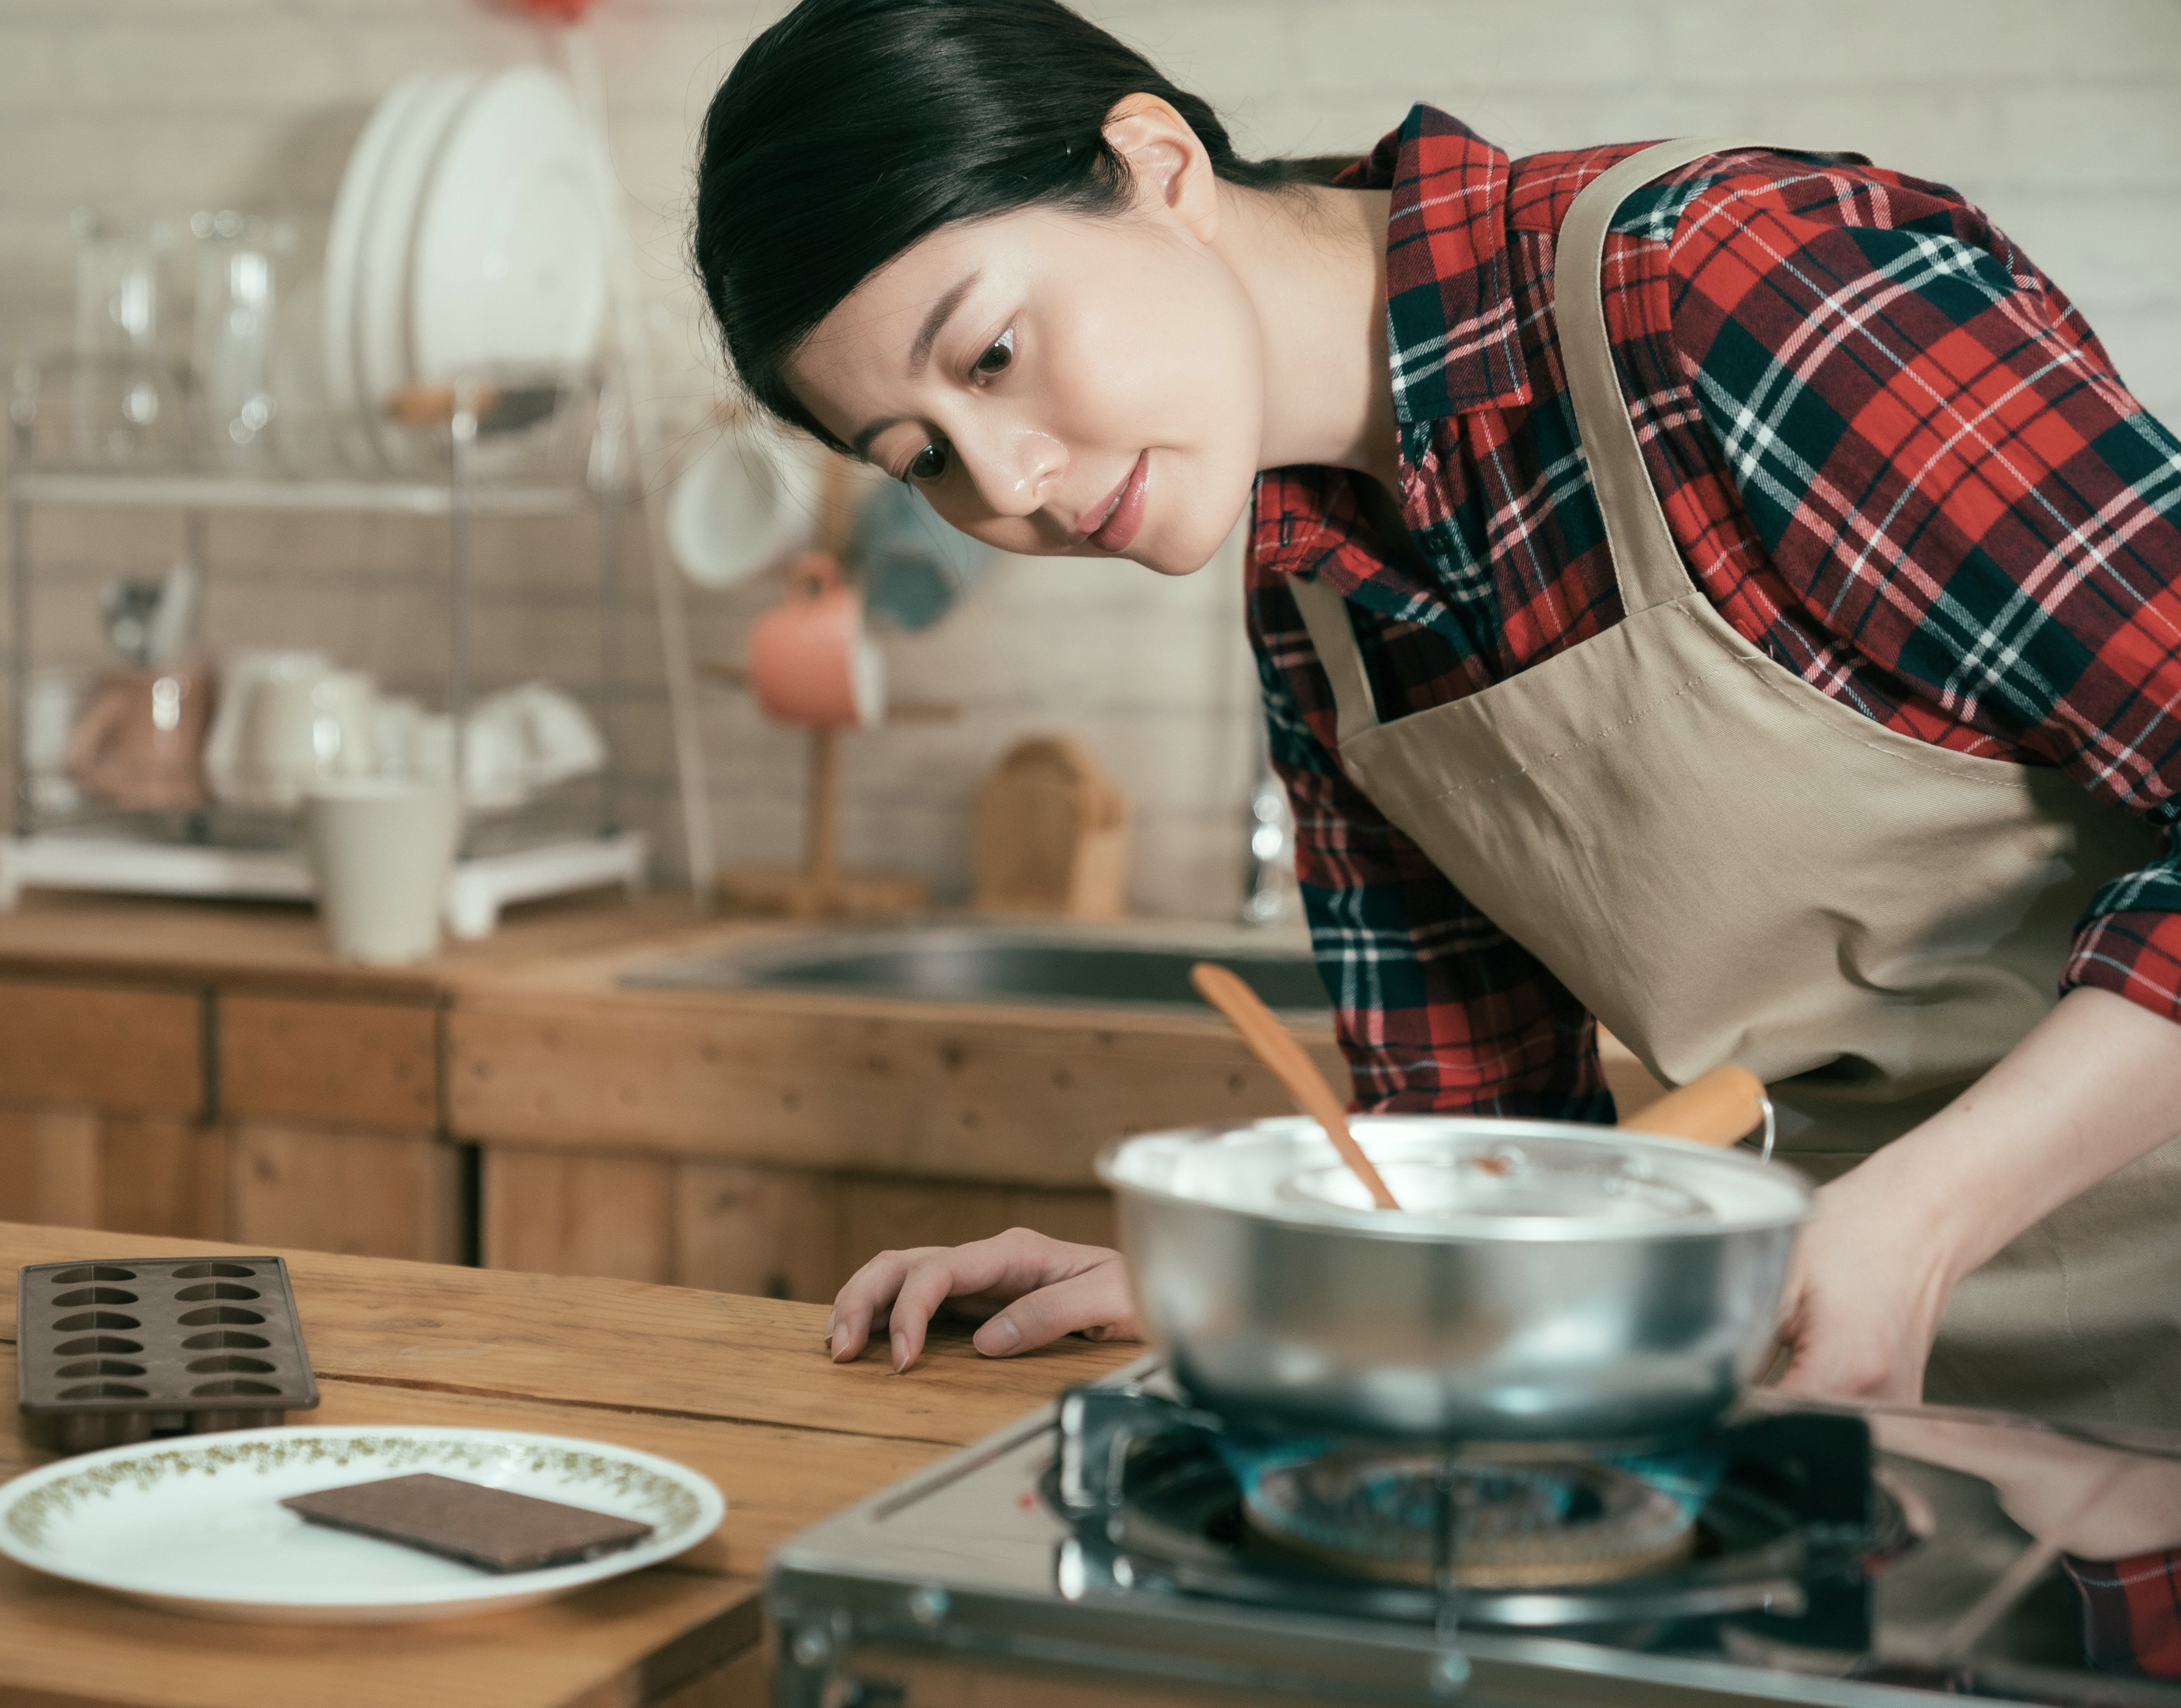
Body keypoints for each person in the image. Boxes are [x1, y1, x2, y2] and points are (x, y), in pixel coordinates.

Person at [691, 0, 2181, 1424]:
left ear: (1154, 164)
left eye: (995, 356)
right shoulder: (1313, 602)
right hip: (1873, 1384)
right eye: (925, 459)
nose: (1007, 483)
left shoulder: (1733, 290)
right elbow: (1481, 1142)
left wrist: (1917, 1218)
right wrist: (1219, 1280)